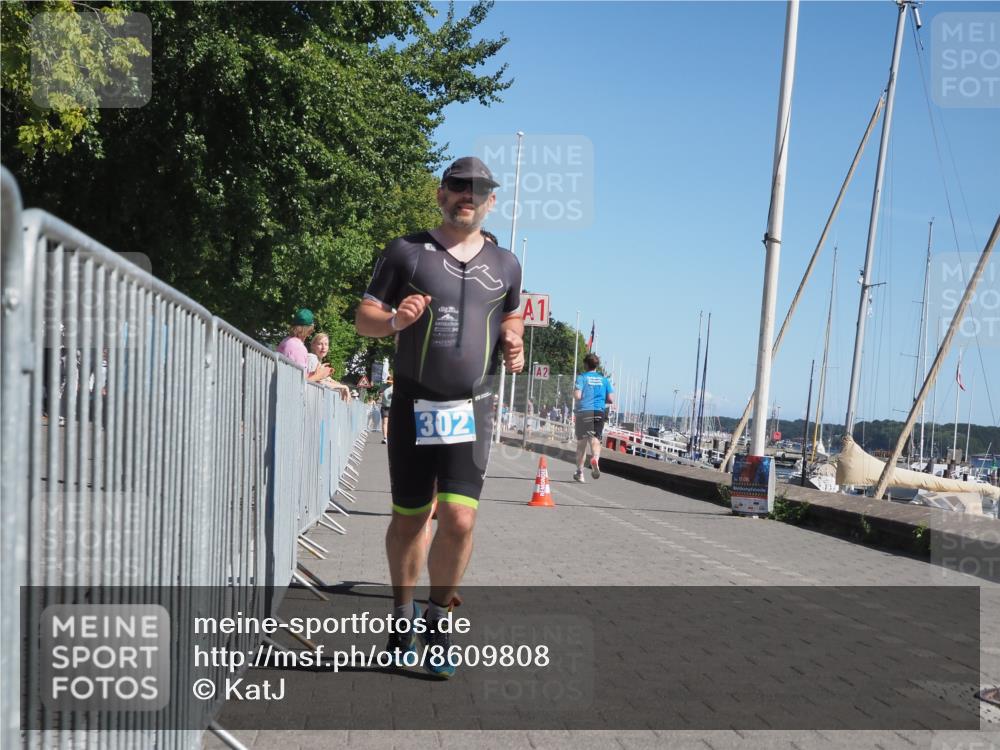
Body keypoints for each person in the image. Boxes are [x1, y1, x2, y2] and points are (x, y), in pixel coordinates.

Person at [355, 156, 524, 678]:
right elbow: (365, 320)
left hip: (472, 409)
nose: (466, 196)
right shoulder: (405, 251)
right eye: (457, 187)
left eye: (477, 190)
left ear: (491, 201)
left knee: (459, 518)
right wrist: (394, 321)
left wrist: (514, 340)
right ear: (441, 193)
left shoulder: (508, 264)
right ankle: (401, 617)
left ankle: (438, 621)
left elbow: (512, 314)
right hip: (412, 404)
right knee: (409, 519)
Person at [573, 352, 615, 482]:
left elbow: (578, 396)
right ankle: (595, 459)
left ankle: (580, 473)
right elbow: (610, 399)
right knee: (595, 438)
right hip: (598, 411)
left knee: (582, 444)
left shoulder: (581, 377)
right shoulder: (604, 379)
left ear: (586, 364)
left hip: (584, 411)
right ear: (597, 365)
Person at [277, 309, 331, 383]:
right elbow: (300, 382)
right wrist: (320, 375)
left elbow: (297, 376)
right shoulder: (298, 348)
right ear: (309, 330)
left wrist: (315, 374)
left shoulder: (286, 341)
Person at [306, 332, 351, 400]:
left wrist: (342, 386)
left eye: (326, 344)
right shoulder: (312, 358)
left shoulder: (317, 361)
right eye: (320, 344)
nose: (323, 347)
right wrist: (343, 387)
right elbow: (319, 381)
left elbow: (328, 380)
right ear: (313, 346)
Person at [380, 375, 394, 444]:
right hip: (384, 406)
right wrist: (380, 394)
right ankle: (385, 438)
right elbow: (379, 393)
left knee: (391, 423)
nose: (389, 383)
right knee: (385, 422)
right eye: (388, 382)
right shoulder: (383, 386)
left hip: (393, 407)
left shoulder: (395, 387)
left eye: (391, 382)